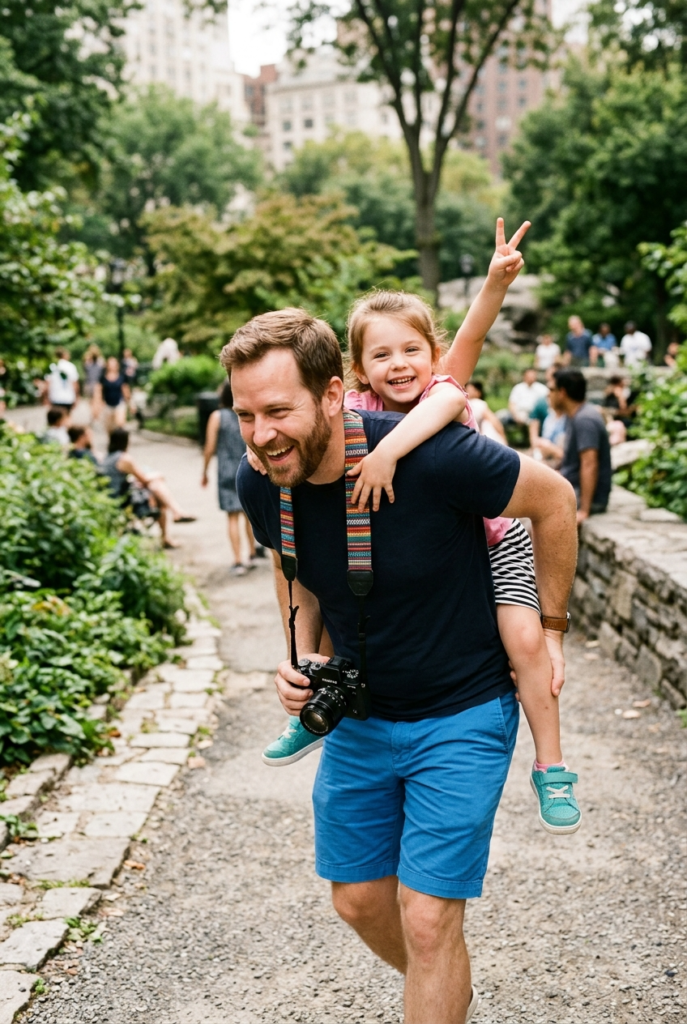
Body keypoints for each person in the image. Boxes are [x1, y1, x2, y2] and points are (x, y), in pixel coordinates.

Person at [225, 306, 577, 1024]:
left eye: (277, 411)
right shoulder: (263, 478)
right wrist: (297, 658)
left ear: (330, 394)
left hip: (462, 712)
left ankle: (436, 977)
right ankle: (444, 986)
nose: (261, 435)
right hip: (359, 717)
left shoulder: (434, 457)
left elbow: (556, 500)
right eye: (245, 415)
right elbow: (291, 566)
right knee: (357, 901)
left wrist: (550, 627)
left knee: (426, 917)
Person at [202, 381, 265, 576]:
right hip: (246, 467)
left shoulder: (217, 417)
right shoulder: (244, 416)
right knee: (248, 514)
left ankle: (238, 560)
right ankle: (253, 553)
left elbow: (209, 447)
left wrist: (204, 471)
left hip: (226, 471)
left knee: (232, 517)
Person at [100, 428, 196, 547]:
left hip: (115, 496)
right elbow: (144, 479)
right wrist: (158, 475)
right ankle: (175, 517)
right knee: (157, 489)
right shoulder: (124, 458)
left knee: (156, 489)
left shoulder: (107, 458)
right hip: (122, 500)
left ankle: (176, 514)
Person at [549, 368, 612, 523]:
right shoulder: (577, 416)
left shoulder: (585, 420)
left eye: (552, 390)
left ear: (562, 392)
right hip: (572, 487)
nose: (548, 395)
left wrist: (584, 510)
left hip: (587, 497)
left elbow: (589, 464)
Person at [503, 367, 548, 436]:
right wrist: (516, 415)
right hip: (518, 413)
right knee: (500, 416)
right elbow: (511, 404)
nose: (531, 378)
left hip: (534, 415)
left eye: (533, 376)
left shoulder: (542, 389)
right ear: (524, 376)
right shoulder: (518, 388)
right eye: (529, 376)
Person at [93, 357, 130, 434]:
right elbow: (98, 392)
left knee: (120, 424)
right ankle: (112, 442)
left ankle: (120, 442)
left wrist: (130, 404)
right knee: (109, 427)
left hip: (119, 403)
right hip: (107, 404)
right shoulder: (102, 378)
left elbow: (126, 391)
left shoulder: (122, 377)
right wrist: (97, 406)